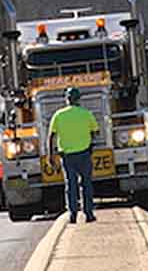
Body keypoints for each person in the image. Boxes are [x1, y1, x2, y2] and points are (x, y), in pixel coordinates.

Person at [48, 86, 99, 223]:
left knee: (71, 185)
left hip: (67, 155)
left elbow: (51, 136)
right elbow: (95, 132)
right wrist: (90, 143)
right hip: (84, 153)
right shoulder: (86, 113)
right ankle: (88, 214)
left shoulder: (58, 115)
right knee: (86, 184)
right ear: (79, 99)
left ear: (67, 99)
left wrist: (50, 155)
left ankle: (73, 214)